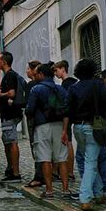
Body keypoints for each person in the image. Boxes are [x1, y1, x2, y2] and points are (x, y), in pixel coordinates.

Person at [61, 59, 106, 211]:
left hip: (77, 127)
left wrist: (64, 131)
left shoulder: (73, 88)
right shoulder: (99, 85)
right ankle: (85, 198)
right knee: (91, 162)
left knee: (89, 159)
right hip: (94, 126)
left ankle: (98, 192)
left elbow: (67, 111)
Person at [25, 63, 75, 199]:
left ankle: (49, 190)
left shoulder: (36, 89)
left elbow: (29, 110)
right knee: (62, 158)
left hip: (42, 126)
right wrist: (65, 129)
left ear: (41, 74)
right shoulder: (61, 89)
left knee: (45, 158)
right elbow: (67, 110)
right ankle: (65, 189)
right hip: (60, 125)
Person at [0, 51, 23, 182]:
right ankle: (10, 169)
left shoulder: (10, 76)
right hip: (7, 114)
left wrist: (0, 94)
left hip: (10, 114)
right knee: (7, 142)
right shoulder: (7, 76)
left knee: (12, 142)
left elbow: (12, 93)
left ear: (4, 61)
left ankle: (16, 173)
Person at [53, 60, 77, 180]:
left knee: (67, 141)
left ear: (63, 69)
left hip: (67, 116)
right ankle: (70, 170)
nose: (55, 73)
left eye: (56, 70)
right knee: (68, 141)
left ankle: (70, 171)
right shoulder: (73, 82)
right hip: (72, 115)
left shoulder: (66, 84)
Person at [24, 60, 44, 188]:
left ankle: (39, 176)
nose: (26, 71)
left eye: (28, 69)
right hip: (47, 120)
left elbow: (29, 106)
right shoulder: (47, 84)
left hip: (35, 120)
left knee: (36, 148)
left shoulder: (31, 85)